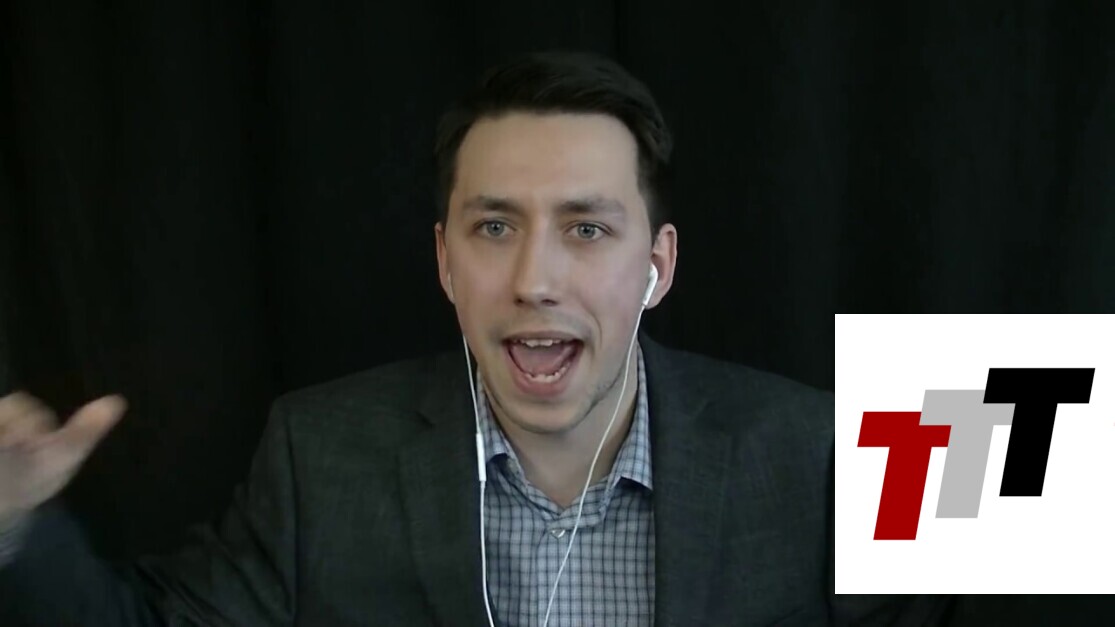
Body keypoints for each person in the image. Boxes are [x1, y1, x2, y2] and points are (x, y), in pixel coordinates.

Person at [0, 51, 952, 626]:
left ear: (656, 266)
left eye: (586, 228)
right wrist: (13, 521)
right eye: (494, 227)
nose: (534, 278)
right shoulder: (320, 455)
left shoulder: (812, 447)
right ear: (446, 261)